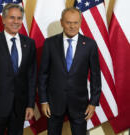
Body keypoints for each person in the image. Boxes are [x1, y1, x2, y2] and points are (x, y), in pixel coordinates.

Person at [38, 7, 101, 135]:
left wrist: (93, 102)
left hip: (80, 105)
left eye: (75, 22)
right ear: (62, 22)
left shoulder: (90, 45)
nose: (72, 26)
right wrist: (43, 100)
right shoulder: (50, 44)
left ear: (80, 22)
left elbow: (95, 76)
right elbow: (43, 74)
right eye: (68, 22)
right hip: (53, 104)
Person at [0, 3, 36, 135]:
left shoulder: (29, 43)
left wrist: (30, 105)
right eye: (12, 18)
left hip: (19, 108)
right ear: (3, 20)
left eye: (19, 18)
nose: (16, 22)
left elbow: (31, 77)